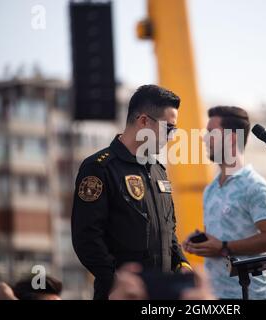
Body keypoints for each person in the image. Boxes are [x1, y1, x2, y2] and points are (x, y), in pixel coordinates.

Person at [71, 85, 191, 300]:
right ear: (144, 121)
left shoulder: (158, 171)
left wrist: (181, 263)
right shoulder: (99, 168)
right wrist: (117, 279)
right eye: (168, 129)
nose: (171, 137)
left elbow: (168, 231)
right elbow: (86, 238)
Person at [183, 106, 266, 300]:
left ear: (231, 138)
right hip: (217, 296)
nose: (204, 139)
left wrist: (223, 246)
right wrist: (200, 242)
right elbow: (218, 239)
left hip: (253, 296)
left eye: (211, 133)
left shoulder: (254, 186)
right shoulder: (211, 188)